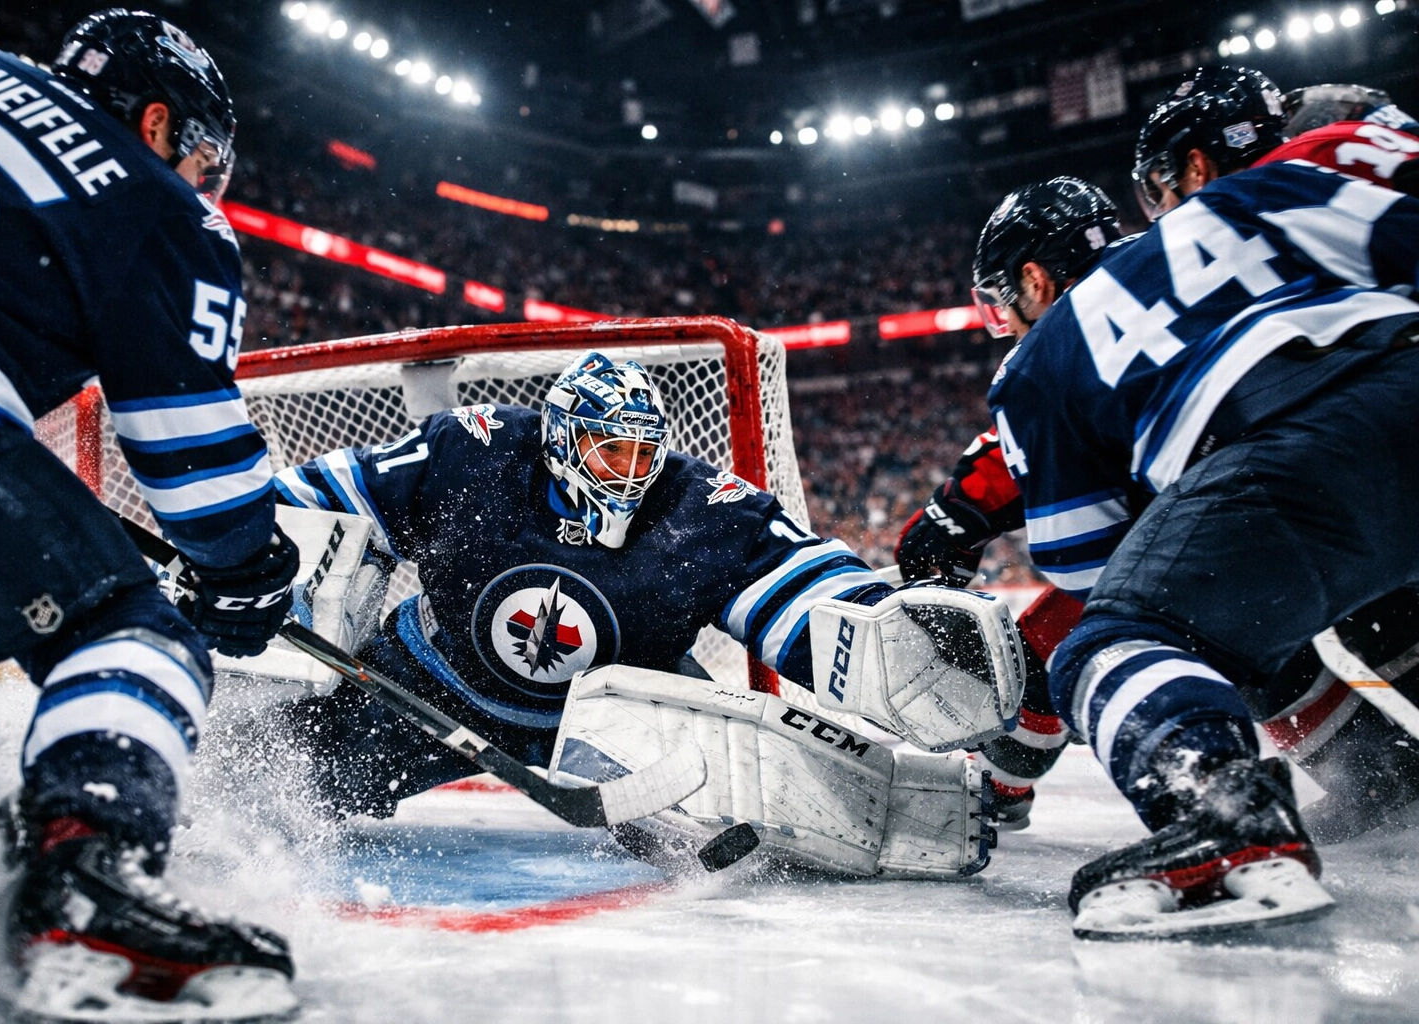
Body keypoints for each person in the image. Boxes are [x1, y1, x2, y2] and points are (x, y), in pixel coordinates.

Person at [0, 11, 301, 1018]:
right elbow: (200, 482)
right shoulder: (152, 199)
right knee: (131, 634)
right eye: (203, 159)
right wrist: (247, 573)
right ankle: (85, 880)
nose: (205, 183)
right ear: (156, 123)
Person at [987, 64, 1419, 938]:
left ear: (1032, 283)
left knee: (1118, 639)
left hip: (1290, 452)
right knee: (1380, 618)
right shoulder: (1274, 189)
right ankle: (1391, 781)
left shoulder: (1038, 361)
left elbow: (1090, 569)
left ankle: (1226, 821)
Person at [271, 352, 901, 819]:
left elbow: (801, 589)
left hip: (615, 706)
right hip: (436, 683)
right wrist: (240, 546)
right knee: (285, 784)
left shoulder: (699, 507)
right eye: (611, 451)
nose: (630, 472)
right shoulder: (475, 453)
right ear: (562, 439)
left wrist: (897, 633)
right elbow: (324, 497)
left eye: (641, 452)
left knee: (759, 812)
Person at [896, 176, 1124, 828]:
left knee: (1059, 651)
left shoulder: (1054, 349)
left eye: (1005, 298)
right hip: (1326, 473)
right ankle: (1365, 759)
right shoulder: (1174, 259)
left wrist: (951, 513)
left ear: (1035, 280)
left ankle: (1215, 803)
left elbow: (1076, 547)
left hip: (1219, 524)